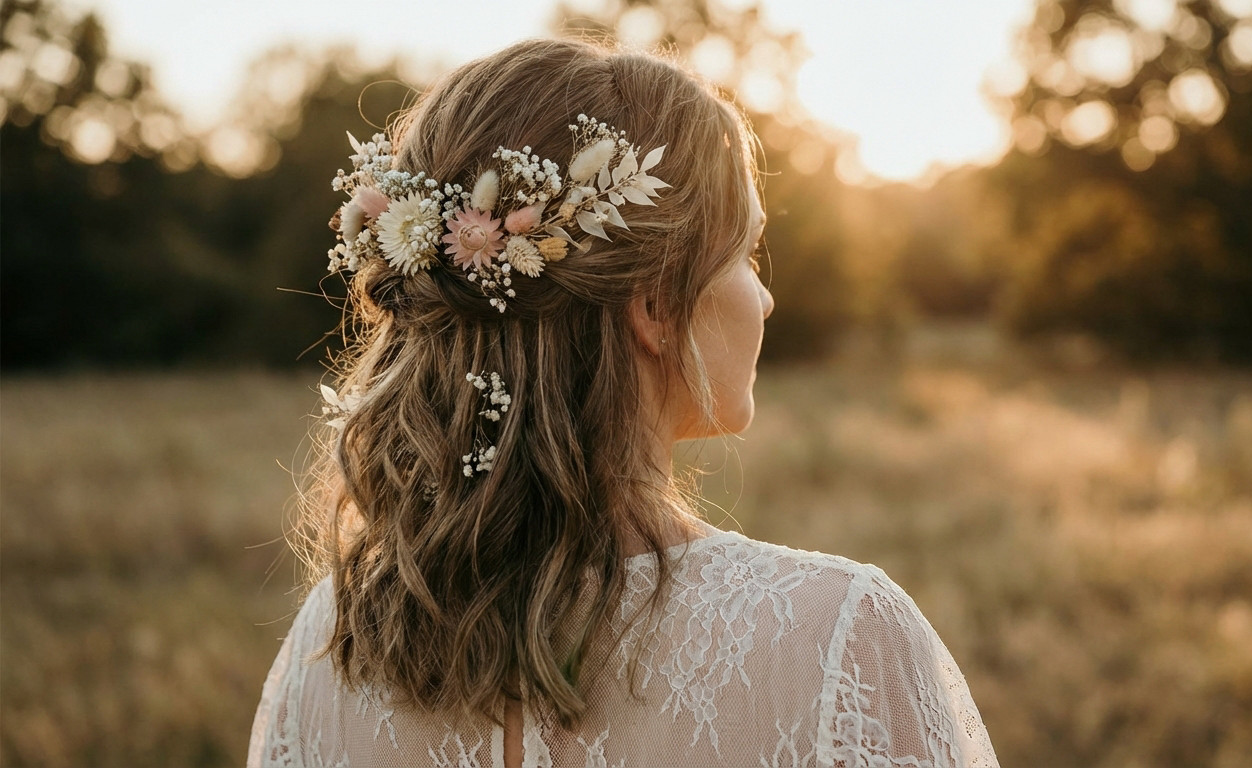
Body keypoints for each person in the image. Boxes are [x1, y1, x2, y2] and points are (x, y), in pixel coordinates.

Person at [249, 38, 999, 768]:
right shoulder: (840, 639)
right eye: (746, 253)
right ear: (656, 303)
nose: (764, 298)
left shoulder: (335, 643)